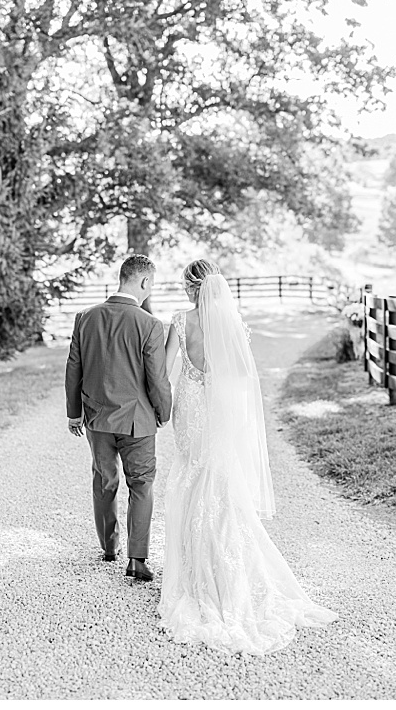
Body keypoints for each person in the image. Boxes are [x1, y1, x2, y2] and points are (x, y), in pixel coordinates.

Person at [158, 258, 337, 653]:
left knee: (189, 477)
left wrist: (159, 404)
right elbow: (242, 379)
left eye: (186, 286)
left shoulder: (179, 321)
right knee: (220, 483)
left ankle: (193, 574)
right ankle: (225, 569)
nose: (185, 291)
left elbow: (162, 371)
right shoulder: (232, 324)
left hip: (189, 411)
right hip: (219, 412)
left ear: (191, 287)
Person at [66, 254, 172, 583]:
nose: (150, 289)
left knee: (104, 481)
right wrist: (163, 412)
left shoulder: (85, 317)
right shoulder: (150, 324)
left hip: (97, 421)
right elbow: (157, 379)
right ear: (142, 282)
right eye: (151, 283)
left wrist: (74, 413)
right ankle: (137, 559)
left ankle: (108, 547)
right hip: (137, 422)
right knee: (141, 485)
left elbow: (74, 370)